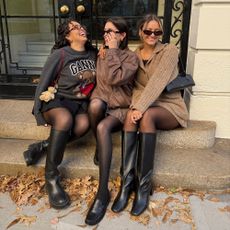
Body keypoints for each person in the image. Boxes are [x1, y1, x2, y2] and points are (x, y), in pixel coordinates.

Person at [111, 14, 189, 216]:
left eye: (157, 31)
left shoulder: (169, 50)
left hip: (169, 106)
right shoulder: (134, 55)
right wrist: (136, 107)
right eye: (148, 31)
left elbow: (158, 82)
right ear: (140, 32)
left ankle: (143, 187)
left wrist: (140, 108)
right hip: (145, 104)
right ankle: (127, 184)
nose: (152, 35)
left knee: (145, 117)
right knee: (130, 117)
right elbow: (135, 87)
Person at [32, 19, 97, 209]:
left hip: (80, 104)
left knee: (85, 125)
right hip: (58, 100)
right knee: (65, 119)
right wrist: (37, 112)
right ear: (67, 36)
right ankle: (51, 178)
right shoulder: (60, 54)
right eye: (75, 28)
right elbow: (43, 82)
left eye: (81, 26)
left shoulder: (93, 54)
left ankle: (43, 146)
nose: (81, 29)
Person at [85, 17, 139, 225]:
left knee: (102, 126)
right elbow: (102, 81)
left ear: (122, 35)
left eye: (112, 31)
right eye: (105, 31)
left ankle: (102, 192)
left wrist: (113, 51)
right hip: (103, 102)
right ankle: (100, 145)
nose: (107, 35)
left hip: (121, 108)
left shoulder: (131, 58)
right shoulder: (103, 54)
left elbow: (117, 79)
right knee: (94, 105)